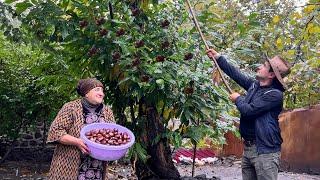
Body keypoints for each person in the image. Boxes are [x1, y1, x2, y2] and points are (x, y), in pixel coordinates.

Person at [207, 49, 291, 180]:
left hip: (264, 151)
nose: (259, 67)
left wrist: (238, 98)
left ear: (271, 75)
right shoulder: (255, 86)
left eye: (264, 66)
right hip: (248, 148)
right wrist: (218, 58)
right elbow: (236, 75)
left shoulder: (275, 95)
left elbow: (249, 111)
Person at [47, 78, 115, 180]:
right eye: (97, 90)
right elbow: (55, 131)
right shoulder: (71, 108)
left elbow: (113, 134)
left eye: (102, 90)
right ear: (86, 93)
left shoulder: (107, 111)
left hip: (96, 167)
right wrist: (77, 142)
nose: (101, 94)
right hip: (69, 165)